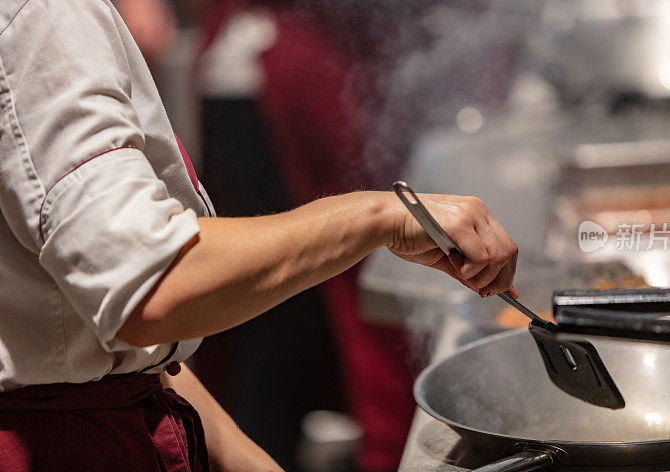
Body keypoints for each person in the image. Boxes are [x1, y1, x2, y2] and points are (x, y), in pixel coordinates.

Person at [0, 1, 520, 472]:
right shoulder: (45, 15)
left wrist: (248, 460)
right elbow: (150, 286)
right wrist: (380, 215)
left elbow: (119, 349)